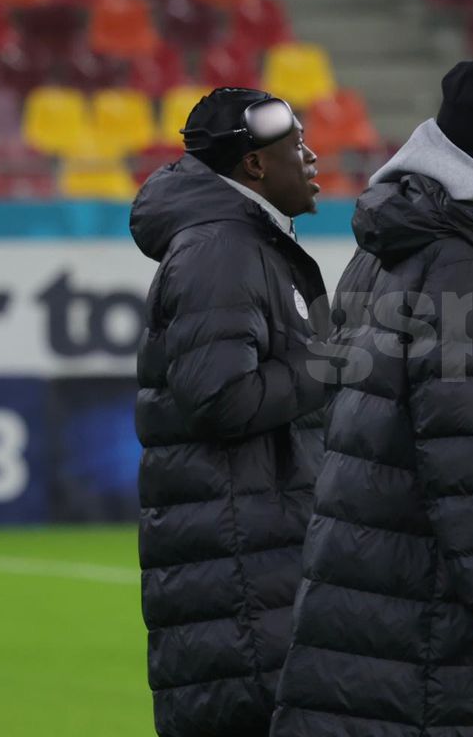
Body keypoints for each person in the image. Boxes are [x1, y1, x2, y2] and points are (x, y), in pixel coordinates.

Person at [272, 62, 473, 737]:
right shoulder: (465, 259)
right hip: (438, 605)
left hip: (376, 573)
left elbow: (400, 411)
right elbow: (460, 443)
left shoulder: (387, 247)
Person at [131, 87, 329, 737]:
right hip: (243, 595)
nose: (314, 156)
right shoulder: (223, 248)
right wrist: (335, 362)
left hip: (254, 577)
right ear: (254, 166)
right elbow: (220, 397)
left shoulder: (245, 241)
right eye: (296, 145)